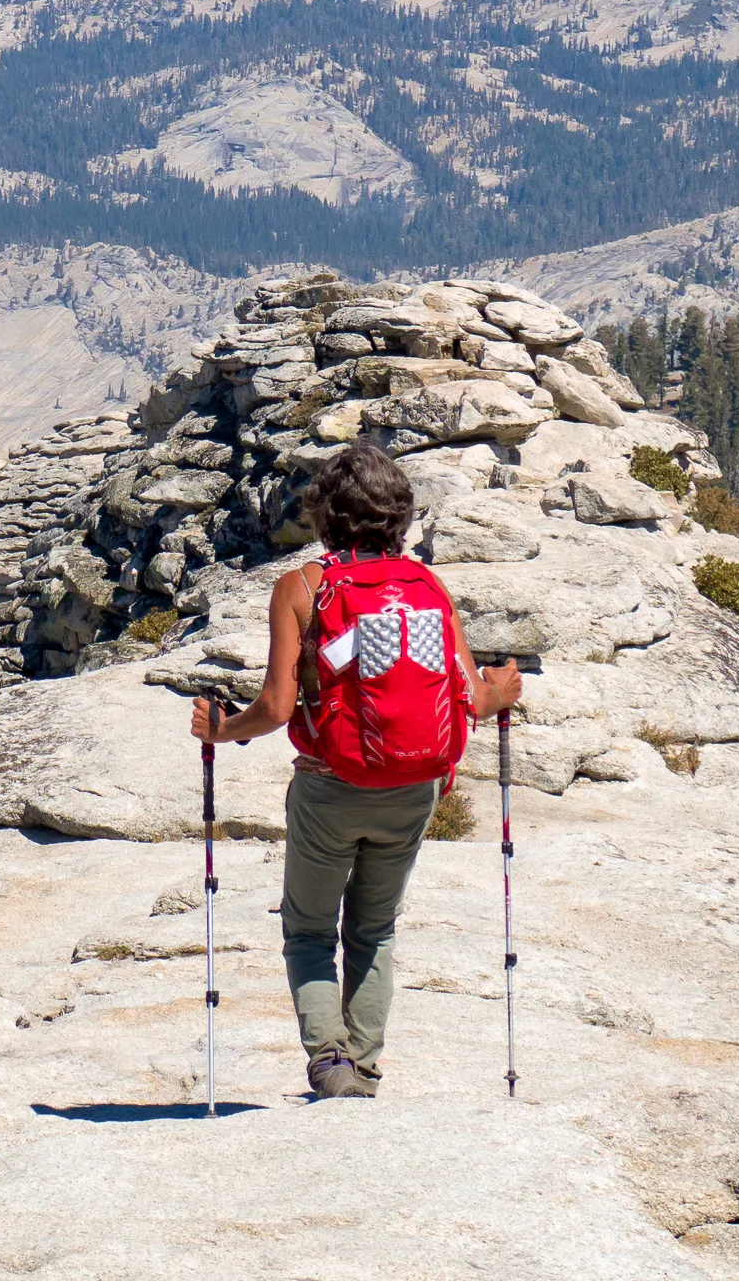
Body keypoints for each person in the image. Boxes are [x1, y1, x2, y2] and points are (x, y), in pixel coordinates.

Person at [192, 440, 520, 1100]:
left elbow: (279, 707)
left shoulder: (303, 588)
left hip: (330, 784)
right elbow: (472, 698)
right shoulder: (427, 588)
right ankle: (365, 1068)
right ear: (399, 516)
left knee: (309, 926)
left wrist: (222, 731)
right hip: (415, 785)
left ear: (324, 516)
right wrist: (503, 690)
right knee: (374, 926)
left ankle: (331, 1061)